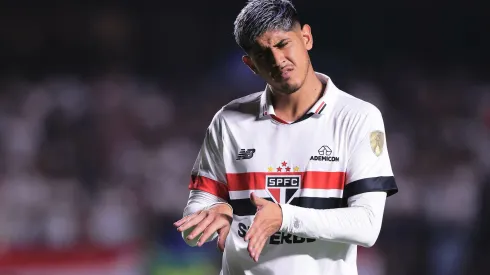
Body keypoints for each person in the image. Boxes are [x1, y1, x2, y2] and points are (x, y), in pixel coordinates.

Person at [173, 0, 398, 274]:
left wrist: (285, 217)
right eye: (262, 54)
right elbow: (195, 218)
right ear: (250, 64)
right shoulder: (228, 121)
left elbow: (367, 225)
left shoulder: (358, 117)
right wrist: (210, 216)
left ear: (306, 37)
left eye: (282, 44)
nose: (277, 61)